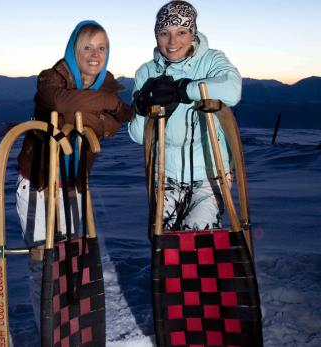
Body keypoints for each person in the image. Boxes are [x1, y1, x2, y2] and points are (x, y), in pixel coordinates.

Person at [16, 20, 132, 325]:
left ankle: (71, 329)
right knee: (44, 262)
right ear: (73, 50)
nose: (95, 55)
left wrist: (91, 113)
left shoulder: (106, 83)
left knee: (70, 258)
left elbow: (121, 119)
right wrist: (105, 105)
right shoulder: (51, 78)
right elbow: (58, 102)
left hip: (74, 185)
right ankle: (49, 334)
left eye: (102, 48)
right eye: (87, 47)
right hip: (40, 184)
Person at [128, 0, 242, 231]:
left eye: (181, 32)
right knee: (164, 243)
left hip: (210, 174)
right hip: (166, 174)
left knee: (195, 239)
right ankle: (167, 267)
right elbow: (139, 136)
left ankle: (204, 267)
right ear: (156, 35)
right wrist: (142, 108)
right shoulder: (147, 72)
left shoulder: (211, 60)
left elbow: (232, 89)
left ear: (193, 33)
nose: (172, 42)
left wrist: (184, 90)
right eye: (164, 33)